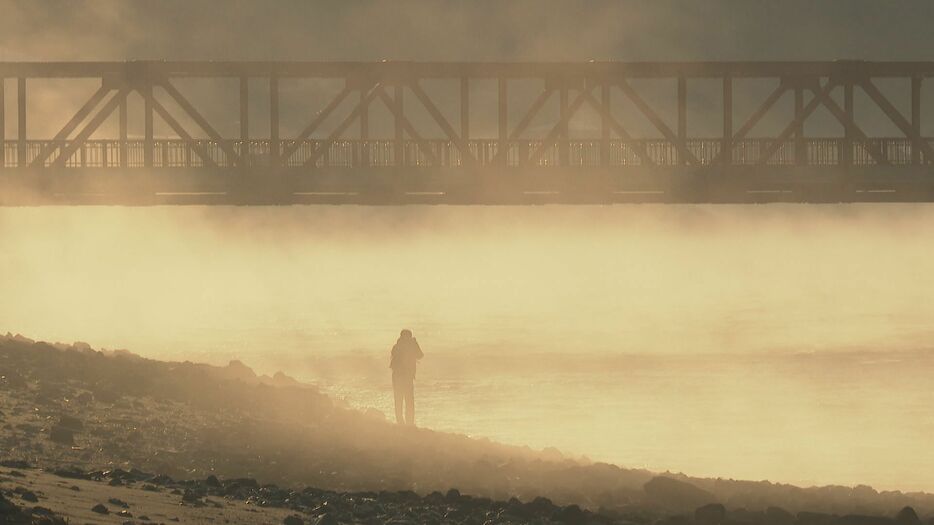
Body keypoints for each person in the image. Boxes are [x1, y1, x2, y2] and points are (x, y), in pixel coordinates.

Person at [390, 329, 423, 426]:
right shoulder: (410, 346)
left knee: (399, 400)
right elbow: (420, 355)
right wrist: (415, 343)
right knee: (408, 401)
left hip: (398, 377)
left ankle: (402, 423)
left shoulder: (397, 346)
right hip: (405, 377)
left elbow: (419, 355)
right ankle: (409, 423)